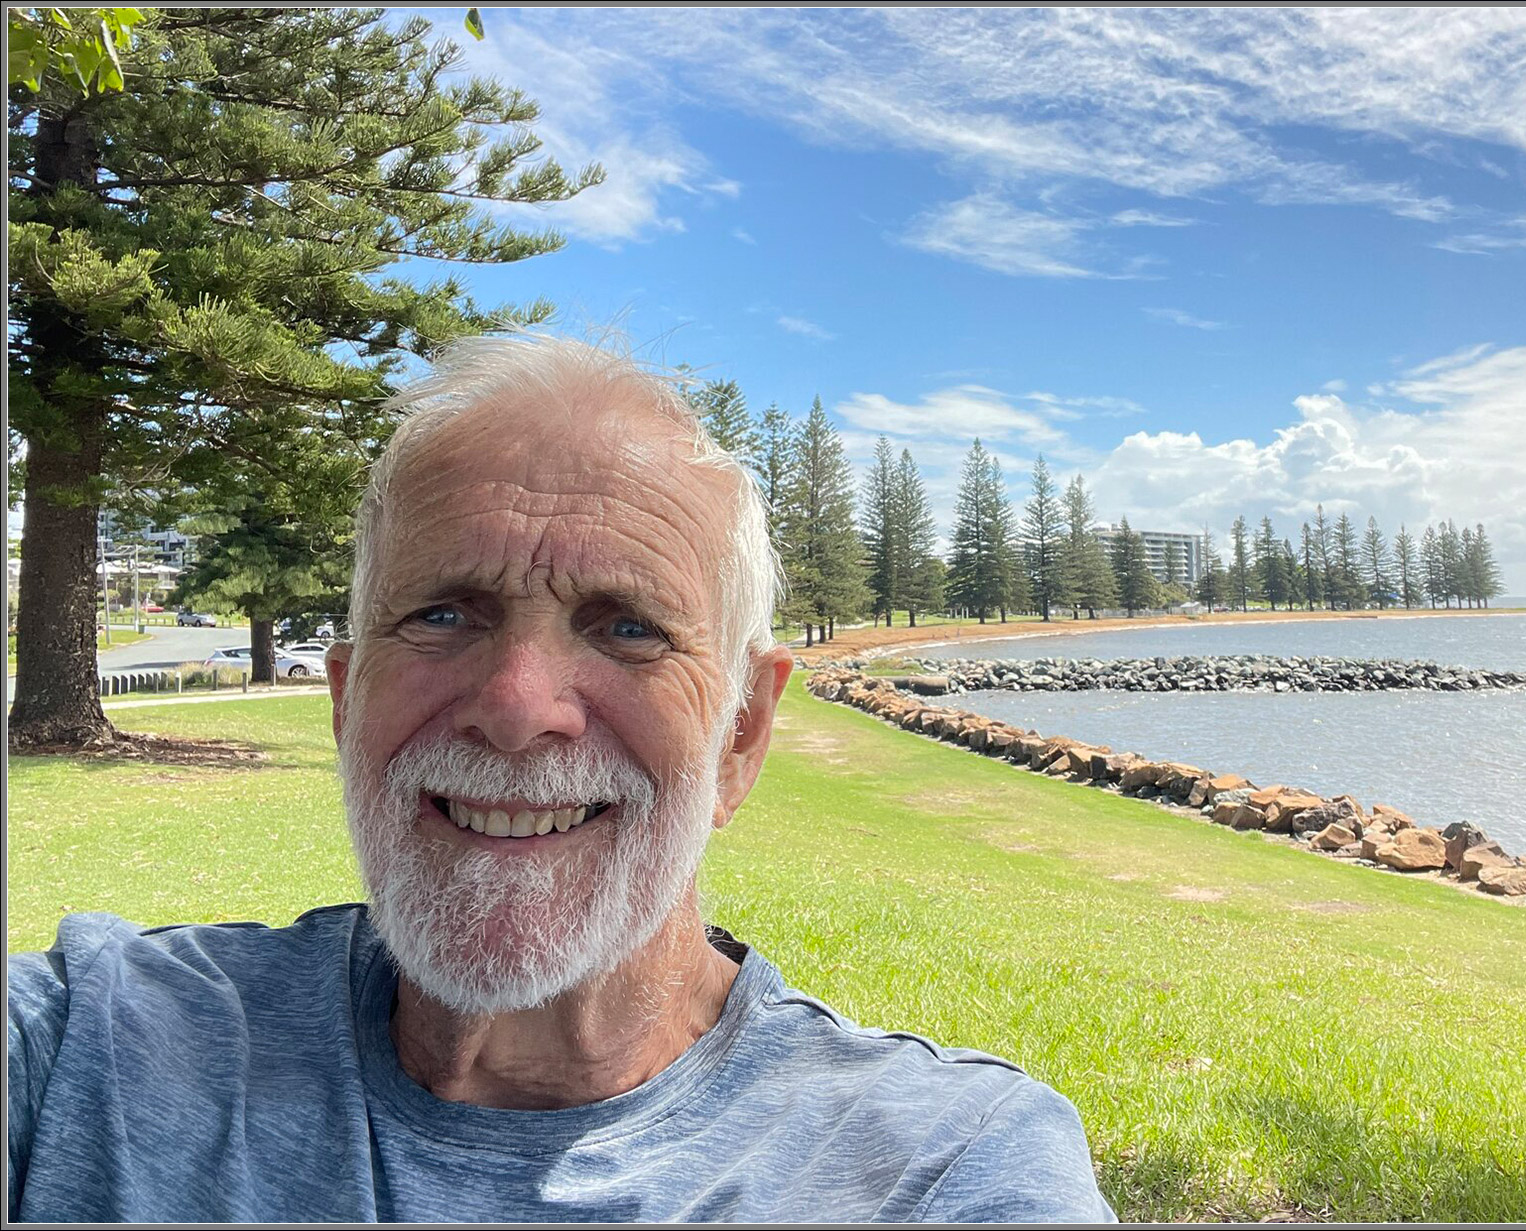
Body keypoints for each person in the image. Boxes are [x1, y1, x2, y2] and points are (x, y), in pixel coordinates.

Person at [6, 333, 1116, 1223]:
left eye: (627, 627)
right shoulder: (84, 1050)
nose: (518, 705)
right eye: (443, 613)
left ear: (740, 734)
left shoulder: (943, 1172)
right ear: (347, 706)